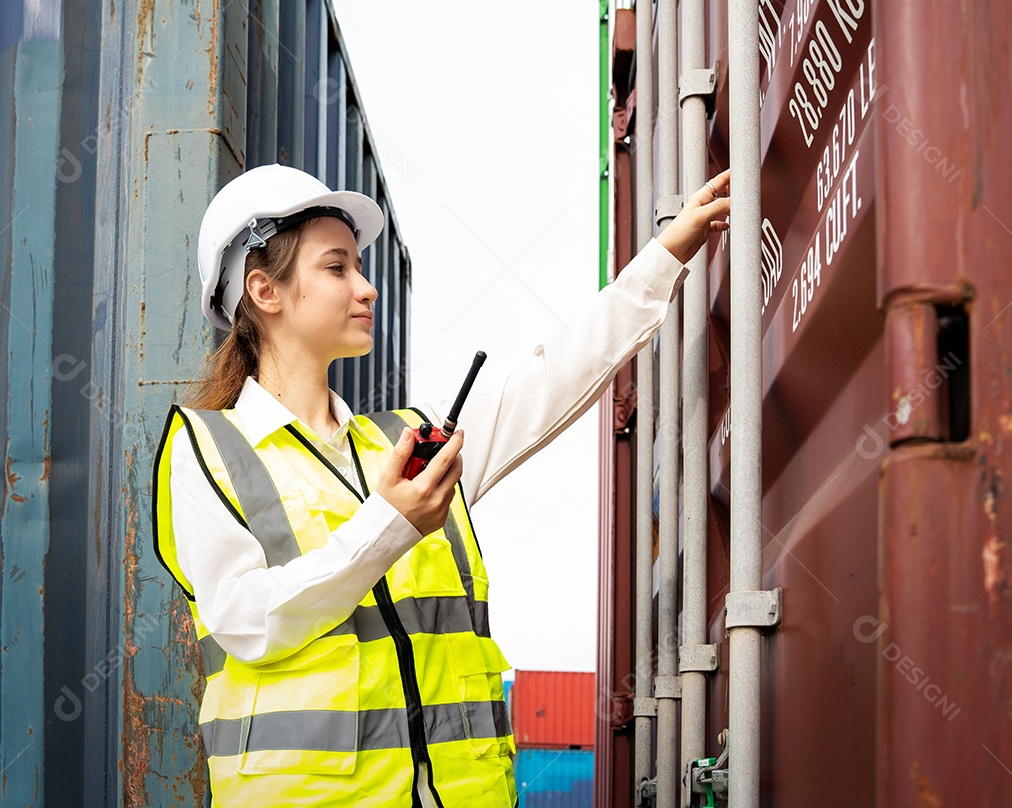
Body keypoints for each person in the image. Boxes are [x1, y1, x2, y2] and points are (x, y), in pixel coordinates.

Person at [152, 162, 730, 808]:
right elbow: (248, 622)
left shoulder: (407, 441)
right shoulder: (206, 449)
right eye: (337, 268)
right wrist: (389, 524)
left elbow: (550, 381)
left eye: (360, 267)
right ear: (265, 291)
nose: (366, 288)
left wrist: (666, 253)